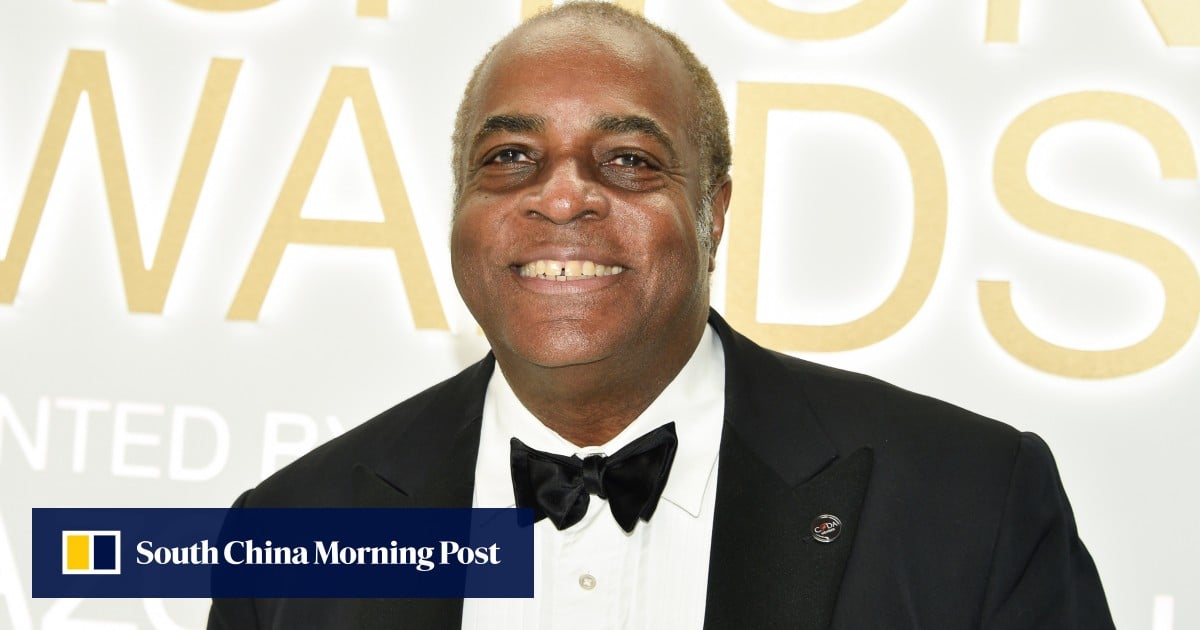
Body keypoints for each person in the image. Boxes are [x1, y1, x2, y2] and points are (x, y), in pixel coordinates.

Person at [208, 2, 1115, 628]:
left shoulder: (971, 502)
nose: (563, 197)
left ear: (713, 214)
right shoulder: (293, 531)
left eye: (631, 160)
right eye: (511, 156)